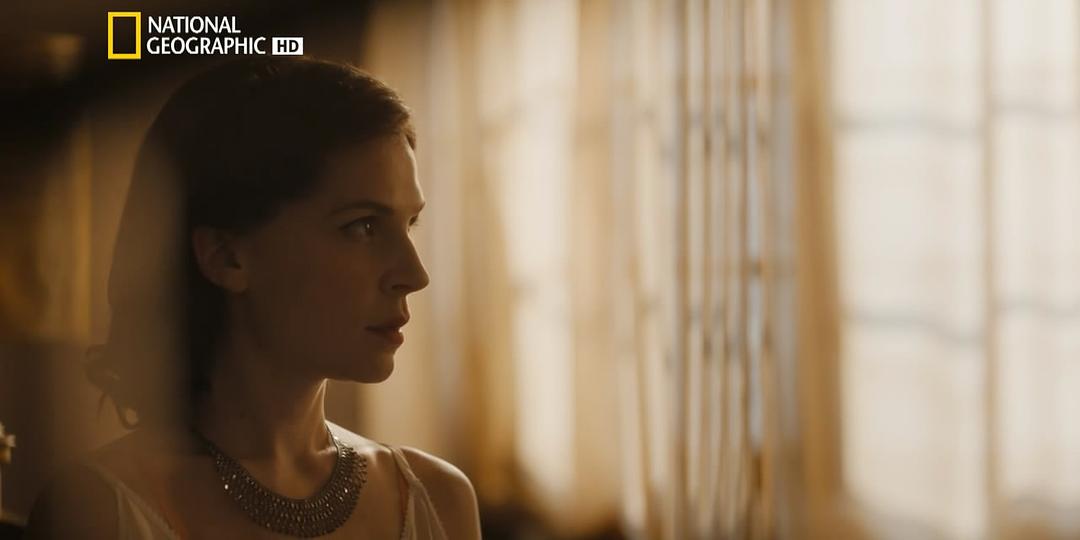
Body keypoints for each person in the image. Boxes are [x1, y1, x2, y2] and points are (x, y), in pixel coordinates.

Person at [24, 57, 481, 539]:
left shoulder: (437, 500)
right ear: (227, 257)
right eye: (362, 227)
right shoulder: (99, 510)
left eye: (410, 225)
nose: (414, 275)